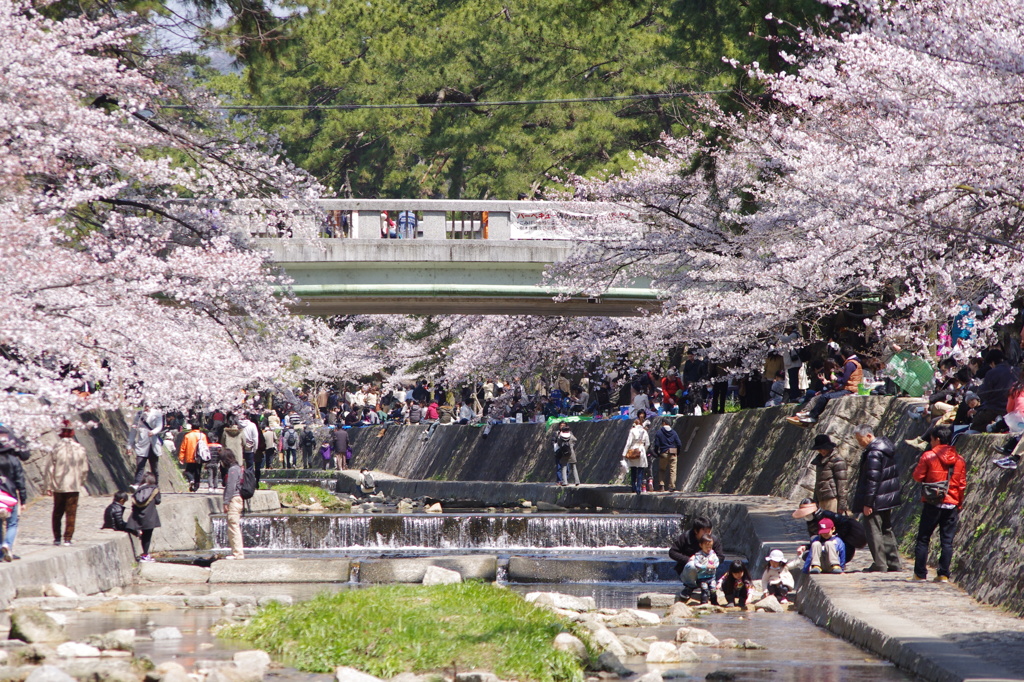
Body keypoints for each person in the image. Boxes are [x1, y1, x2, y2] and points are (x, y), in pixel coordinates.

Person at [911, 426, 967, 582]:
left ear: (937, 439)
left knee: (923, 538)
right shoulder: (960, 459)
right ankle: (943, 574)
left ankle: (920, 573)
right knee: (947, 541)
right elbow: (962, 484)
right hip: (952, 503)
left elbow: (918, 476)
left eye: (931, 439)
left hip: (932, 502)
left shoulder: (928, 456)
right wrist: (959, 504)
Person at [852, 424, 903, 572]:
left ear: (869, 436)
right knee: (886, 529)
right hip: (887, 497)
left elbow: (872, 479)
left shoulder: (873, 453)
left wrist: (868, 503)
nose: (859, 443)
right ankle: (894, 563)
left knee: (874, 531)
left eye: (860, 439)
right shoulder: (885, 449)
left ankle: (880, 563)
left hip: (876, 499)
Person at [786, 346, 862, 426]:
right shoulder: (855, 363)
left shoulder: (850, 364)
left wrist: (834, 379)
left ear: (843, 355)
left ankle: (811, 416)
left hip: (849, 389)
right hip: (849, 388)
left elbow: (843, 380)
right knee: (817, 396)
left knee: (823, 397)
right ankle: (806, 415)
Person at [46, 423, 89, 546]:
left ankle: (57, 538)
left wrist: (48, 485)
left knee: (57, 511)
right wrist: (81, 481)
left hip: (58, 485)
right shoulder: (80, 449)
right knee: (71, 512)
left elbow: (50, 468)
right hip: (73, 484)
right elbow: (85, 468)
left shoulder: (56, 448)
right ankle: (68, 538)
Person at [792, 497, 867, 563]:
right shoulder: (811, 523)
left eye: (808, 514)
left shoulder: (829, 516)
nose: (806, 516)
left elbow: (846, 524)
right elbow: (816, 541)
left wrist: (836, 538)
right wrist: (805, 547)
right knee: (807, 555)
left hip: (841, 546)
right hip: (824, 547)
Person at [668, 515, 726, 600]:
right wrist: (687, 559)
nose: (707, 534)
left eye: (709, 531)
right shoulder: (685, 537)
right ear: (696, 531)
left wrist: (712, 560)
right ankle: (689, 587)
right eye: (704, 531)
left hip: (708, 572)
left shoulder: (713, 540)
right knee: (692, 564)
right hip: (688, 572)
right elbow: (672, 552)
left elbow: (721, 556)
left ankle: (707, 588)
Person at [0, 426, 29, 562]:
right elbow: (20, 481)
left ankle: (0, 553)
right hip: (10, 495)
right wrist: (23, 499)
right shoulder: (13, 460)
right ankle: (7, 545)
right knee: (12, 523)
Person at [972, 349, 1018, 431]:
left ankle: (992, 427)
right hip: (1015, 409)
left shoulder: (992, 373)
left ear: (992, 363)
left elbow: (984, 394)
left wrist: (979, 388)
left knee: (975, 424)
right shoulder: (1016, 370)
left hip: (996, 409)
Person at [125, 472, 161, 562]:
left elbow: (134, 504)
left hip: (138, 516)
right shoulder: (155, 489)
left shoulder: (137, 490)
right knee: (147, 536)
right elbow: (158, 501)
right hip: (150, 516)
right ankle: (145, 555)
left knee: (143, 534)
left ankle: (138, 533)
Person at [809, 434, 848, 513]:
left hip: (832, 499)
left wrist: (842, 504)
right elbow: (818, 482)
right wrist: (815, 500)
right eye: (819, 449)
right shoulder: (819, 461)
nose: (821, 451)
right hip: (821, 499)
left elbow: (842, 483)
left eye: (823, 448)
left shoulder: (837, 460)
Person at [129, 407, 164, 486]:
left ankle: (155, 484)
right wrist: (129, 445)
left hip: (153, 445)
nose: (147, 408)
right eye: (145, 406)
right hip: (142, 444)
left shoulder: (157, 414)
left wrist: (153, 432)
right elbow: (133, 432)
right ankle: (137, 484)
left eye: (148, 406)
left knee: (154, 467)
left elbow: (159, 426)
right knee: (140, 466)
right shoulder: (139, 415)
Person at [682, 535, 720, 604]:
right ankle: (704, 602)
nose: (709, 549)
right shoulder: (698, 555)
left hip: (712, 577)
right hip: (702, 577)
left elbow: (717, 561)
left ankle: (714, 602)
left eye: (710, 547)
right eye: (706, 547)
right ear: (701, 545)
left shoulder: (713, 554)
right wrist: (705, 566)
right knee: (704, 589)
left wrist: (715, 565)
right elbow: (696, 564)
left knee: (713, 589)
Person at [221, 448, 244, 560]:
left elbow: (230, 486)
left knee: (233, 526)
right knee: (233, 526)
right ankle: (236, 552)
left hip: (234, 500)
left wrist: (226, 502)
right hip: (238, 499)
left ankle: (238, 554)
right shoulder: (238, 468)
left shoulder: (233, 470)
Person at [652, 421, 683, 492]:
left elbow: (656, 444)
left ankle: (662, 486)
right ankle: (672, 486)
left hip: (664, 452)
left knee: (662, 469)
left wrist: (657, 453)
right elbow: (679, 444)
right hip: (673, 452)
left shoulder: (659, 432)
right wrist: (678, 452)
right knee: (673, 470)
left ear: (663, 423)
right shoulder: (674, 432)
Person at [622, 418, 650, 494]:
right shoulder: (644, 431)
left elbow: (628, 443)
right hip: (641, 450)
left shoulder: (632, 431)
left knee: (633, 469)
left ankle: (633, 487)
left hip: (633, 450)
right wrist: (644, 449)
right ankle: (639, 488)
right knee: (641, 470)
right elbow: (647, 443)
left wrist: (624, 453)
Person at [178, 425, 208, 493]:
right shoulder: (203, 435)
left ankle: (191, 480)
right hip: (199, 457)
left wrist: (181, 457)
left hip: (190, 457)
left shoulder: (188, 436)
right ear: (199, 427)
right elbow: (205, 447)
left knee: (188, 471)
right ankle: (196, 487)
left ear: (192, 428)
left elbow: (183, 447)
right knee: (197, 472)